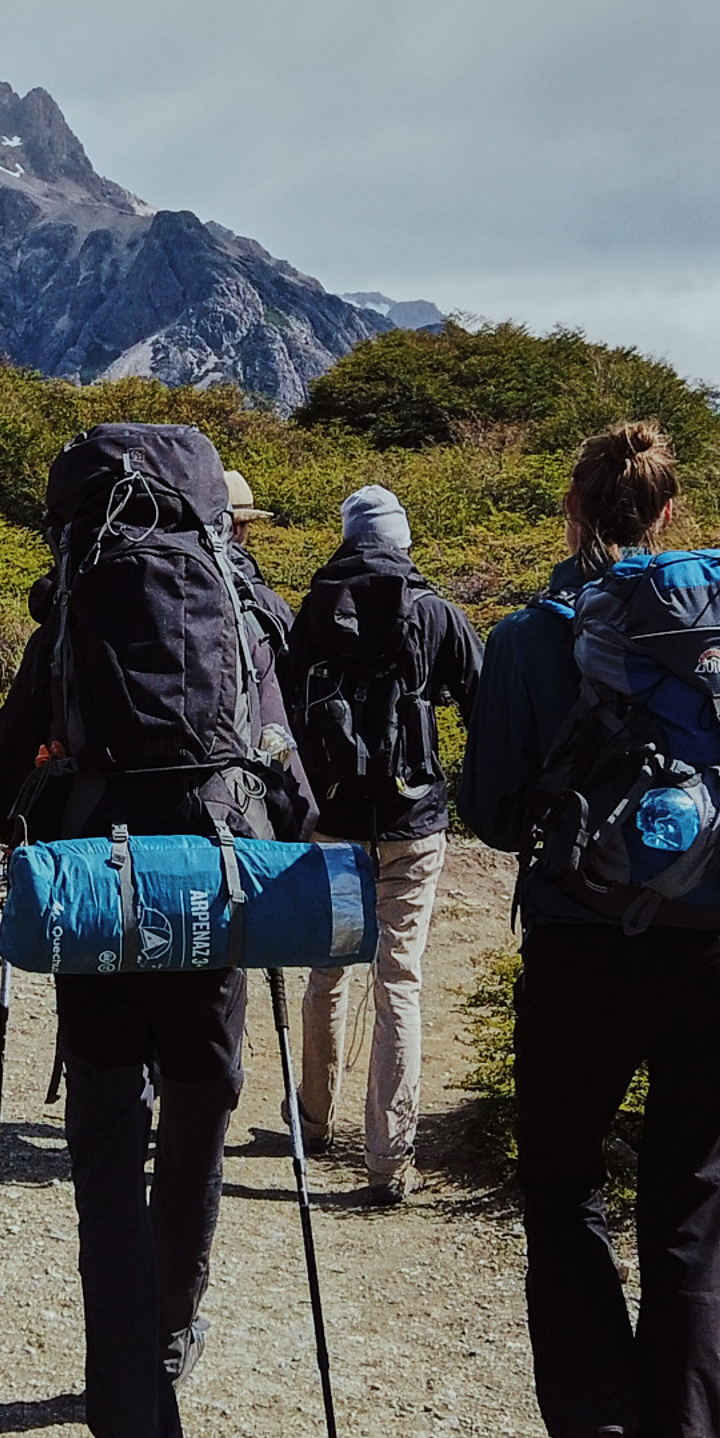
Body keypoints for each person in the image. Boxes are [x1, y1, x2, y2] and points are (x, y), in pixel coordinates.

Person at [0, 424, 309, 1438]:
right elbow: (296, 796)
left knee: (107, 1175)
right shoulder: (243, 612)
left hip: (103, 920)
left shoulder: (72, 615)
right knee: (198, 1140)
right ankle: (173, 1328)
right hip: (210, 916)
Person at [457, 421, 720, 1438]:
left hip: (590, 950)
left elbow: (491, 812)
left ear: (573, 512)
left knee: (559, 1181)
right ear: (669, 512)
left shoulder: (530, 637)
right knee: (690, 1218)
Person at [282, 483, 480, 1205]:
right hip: (413, 827)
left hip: (334, 825)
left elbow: (287, 711)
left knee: (327, 971)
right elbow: (485, 701)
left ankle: (311, 1119)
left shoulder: (313, 608)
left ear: (347, 534)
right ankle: (389, 1160)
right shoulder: (436, 612)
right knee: (399, 980)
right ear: (403, 538)